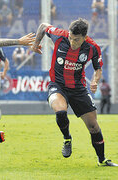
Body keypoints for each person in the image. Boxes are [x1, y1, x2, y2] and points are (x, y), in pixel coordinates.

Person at [31, 18, 118, 166]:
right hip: (57, 85)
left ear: (85, 37)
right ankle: (67, 139)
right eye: (70, 38)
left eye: (76, 40)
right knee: (60, 111)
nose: (72, 42)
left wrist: (95, 80)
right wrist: (35, 43)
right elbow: (44, 26)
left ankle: (102, 160)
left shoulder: (92, 48)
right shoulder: (59, 35)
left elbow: (98, 69)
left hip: (78, 88)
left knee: (93, 126)